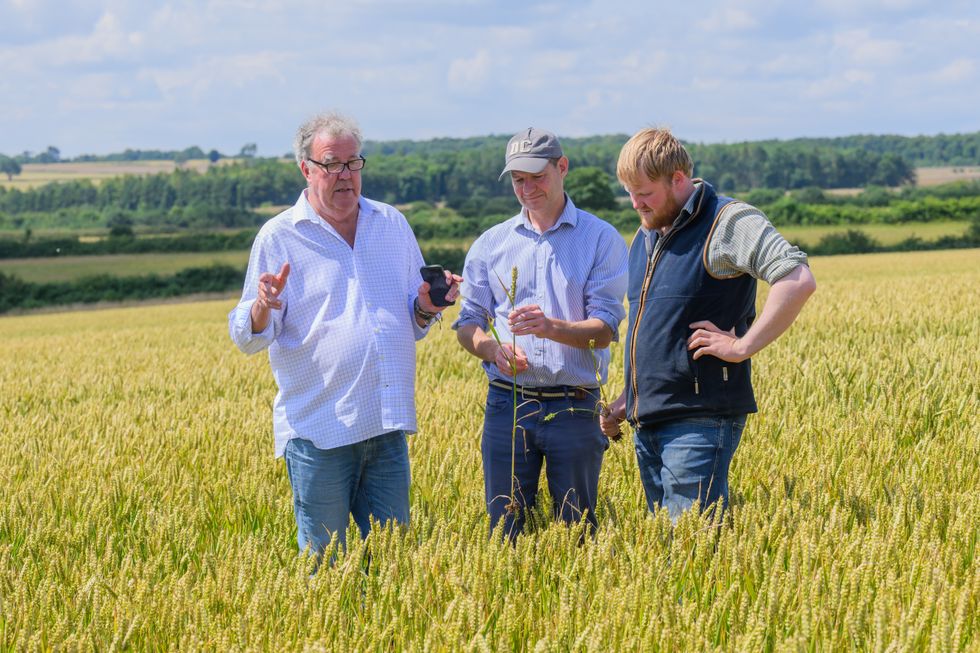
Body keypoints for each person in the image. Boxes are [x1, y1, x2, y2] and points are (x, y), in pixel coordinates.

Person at [228, 111, 461, 562]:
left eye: (354, 164)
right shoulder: (279, 237)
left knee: (394, 566)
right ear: (306, 169)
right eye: (332, 164)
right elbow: (248, 337)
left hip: (385, 425)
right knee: (325, 566)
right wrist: (262, 306)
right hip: (319, 434)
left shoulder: (391, 223)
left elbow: (410, 321)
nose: (345, 176)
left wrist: (427, 307)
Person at [600, 128, 816, 521]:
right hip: (648, 421)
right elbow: (658, 331)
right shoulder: (648, 235)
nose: (635, 204)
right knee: (672, 553)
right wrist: (627, 398)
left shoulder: (728, 221)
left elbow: (797, 279)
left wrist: (742, 346)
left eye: (644, 193)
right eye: (629, 193)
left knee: (692, 550)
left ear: (677, 179)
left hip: (699, 419)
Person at [454, 127, 628, 538]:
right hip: (507, 406)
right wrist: (490, 349)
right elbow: (467, 323)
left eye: (537, 176)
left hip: (575, 405)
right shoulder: (490, 243)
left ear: (562, 167)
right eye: (518, 179)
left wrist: (551, 328)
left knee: (577, 531)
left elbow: (603, 332)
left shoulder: (600, 239)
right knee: (505, 531)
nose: (528, 188)